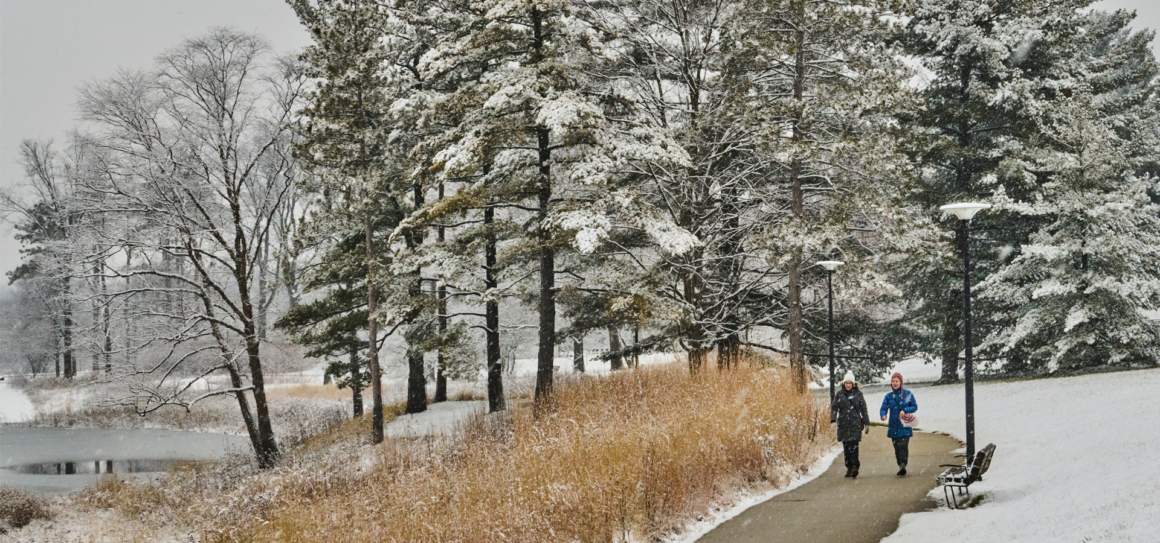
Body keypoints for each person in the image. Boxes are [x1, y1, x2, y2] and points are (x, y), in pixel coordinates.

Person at [830, 371, 870, 478]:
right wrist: (833, 421)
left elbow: (863, 409)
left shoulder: (858, 395)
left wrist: (867, 423)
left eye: (850, 383)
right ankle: (848, 467)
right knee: (846, 447)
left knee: (854, 446)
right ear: (844, 383)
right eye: (846, 383)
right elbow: (834, 408)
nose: (848, 385)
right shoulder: (839, 394)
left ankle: (855, 467)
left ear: (853, 383)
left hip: (855, 424)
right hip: (843, 425)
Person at [880, 372, 917, 475]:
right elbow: (883, 408)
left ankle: (903, 464)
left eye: (897, 381)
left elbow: (914, 406)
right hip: (893, 426)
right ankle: (900, 464)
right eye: (893, 381)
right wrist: (883, 415)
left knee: (903, 446)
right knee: (896, 447)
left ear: (901, 382)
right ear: (891, 383)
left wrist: (905, 410)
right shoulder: (888, 396)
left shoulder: (908, 394)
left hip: (905, 425)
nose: (895, 383)